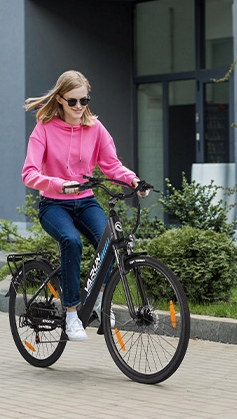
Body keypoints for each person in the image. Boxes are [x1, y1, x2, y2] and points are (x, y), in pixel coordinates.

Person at [22, 70, 147, 341]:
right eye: (73, 101)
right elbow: (29, 174)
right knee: (71, 241)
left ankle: (100, 301)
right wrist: (58, 184)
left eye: (84, 100)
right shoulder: (44, 129)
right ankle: (71, 315)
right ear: (60, 99)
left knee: (109, 241)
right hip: (53, 204)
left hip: (86, 201)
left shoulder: (95, 128)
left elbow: (111, 165)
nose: (79, 107)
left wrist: (134, 181)